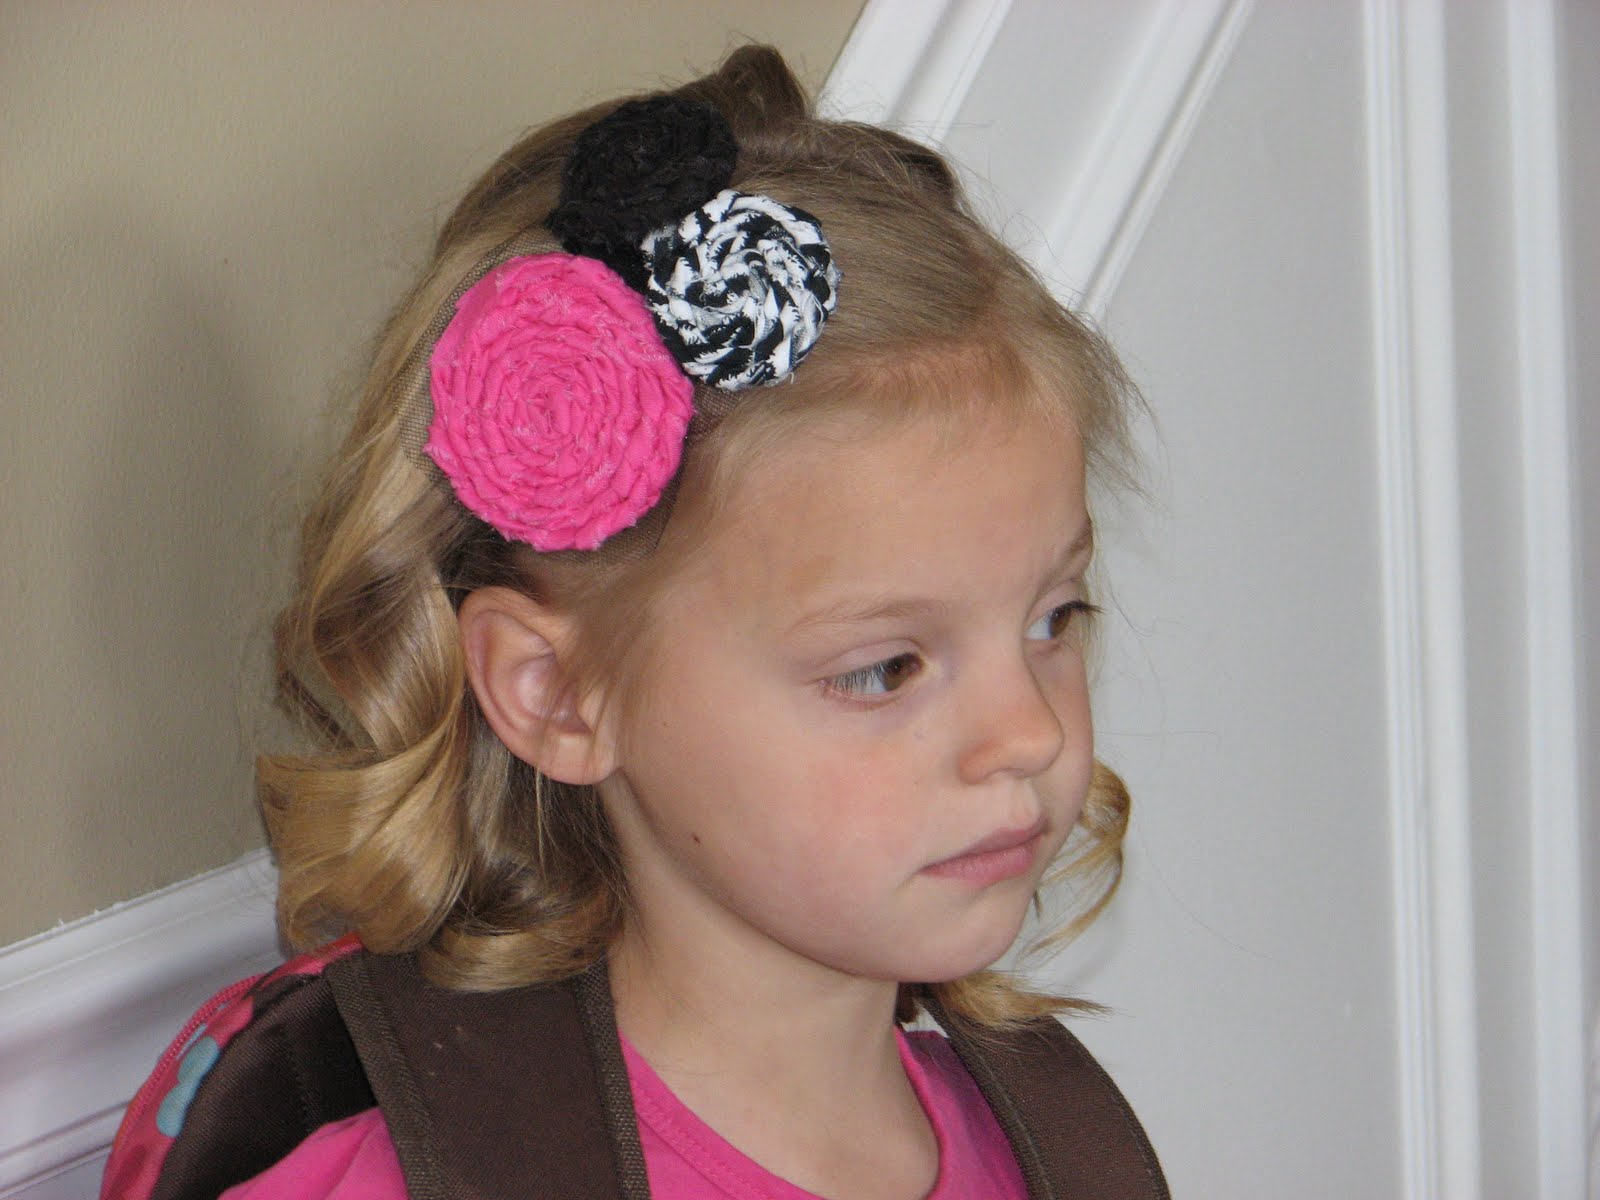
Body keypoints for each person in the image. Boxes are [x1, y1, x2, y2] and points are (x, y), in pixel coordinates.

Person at [104, 43, 1165, 1200]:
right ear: (556, 694)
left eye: (1053, 617)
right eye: (884, 669)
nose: (1029, 733)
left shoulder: (1065, 1150)